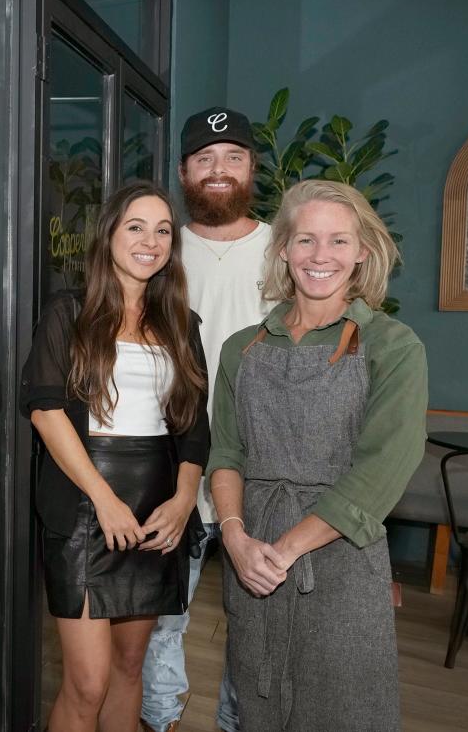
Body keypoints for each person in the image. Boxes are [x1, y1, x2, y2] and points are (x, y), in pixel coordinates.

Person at [207, 180, 427, 731]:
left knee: (344, 706)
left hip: (341, 558)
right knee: (256, 702)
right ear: (283, 248)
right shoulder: (243, 347)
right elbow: (226, 453)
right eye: (306, 240)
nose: (320, 256)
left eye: (338, 241)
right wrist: (236, 541)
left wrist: (284, 550)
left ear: (362, 252)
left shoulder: (393, 347)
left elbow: (382, 470)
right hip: (251, 553)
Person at [21, 181, 211, 732]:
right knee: (88, 682)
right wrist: (101, 500)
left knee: (131, 666)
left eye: (162, 231)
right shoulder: (69, 312)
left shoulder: (182, 323)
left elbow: (194, 426)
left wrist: (182, 500)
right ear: (108, 236)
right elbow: (45, 410)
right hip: (85, 508)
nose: (150, 241)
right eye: (136, 227)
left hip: (156, 509)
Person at [141, 106, 269, 732]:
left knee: (256, 624)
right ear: (185, 172)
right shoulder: (159, 247)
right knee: (166, 615)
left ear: (252, 168)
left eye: (233, 157)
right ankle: (159, 720)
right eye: (204, 159)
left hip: (260, 461)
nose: (219, 170)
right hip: (173, 461)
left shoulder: (285, 248)